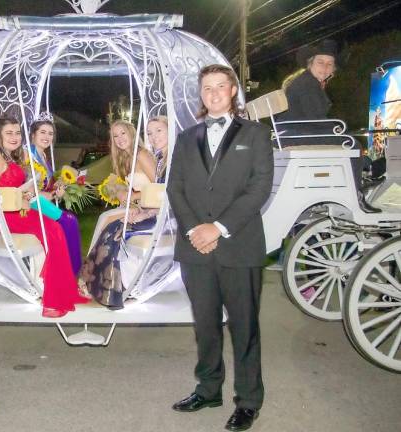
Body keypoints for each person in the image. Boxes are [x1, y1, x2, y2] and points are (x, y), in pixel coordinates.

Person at [167, 64, 273, 431]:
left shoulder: (256, 135)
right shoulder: (186, 138)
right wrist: (197, 229)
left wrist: (219, 227)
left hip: (239, 245)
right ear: (201, 94)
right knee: (206, 325)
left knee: (244, 327)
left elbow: (259, 187)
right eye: (206, 88)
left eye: (220, 87)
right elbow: (175, 188)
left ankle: (248, 400)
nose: (213, 93)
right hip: (195, 247)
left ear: (233, 92)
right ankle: (208, 388)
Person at [0, 116, 89, 318]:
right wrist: (23, 198)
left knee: (57, 229)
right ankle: (55, 296)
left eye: (17, 133)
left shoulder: (12, 157)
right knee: (56, 228)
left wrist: (26, 194)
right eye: (9, 133)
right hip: (7, 215)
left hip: (22, 208)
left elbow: (17, 187)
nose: (14, 137)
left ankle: (65, 287)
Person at [277, 39, 380, 213]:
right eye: (320, 62)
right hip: (298, 132)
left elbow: (314, 118)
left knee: (346, 138)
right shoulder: (308, 84)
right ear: (311, 64)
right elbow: (315, 119)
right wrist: (341, 130)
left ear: (333, 68)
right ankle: (356, 194)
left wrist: (339, 130)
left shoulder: (307, 81)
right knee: (353, 144)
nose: (325, 67)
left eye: (329, 63)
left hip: (293, 131)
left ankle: (362, 174)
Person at [81, 119, 156, 309]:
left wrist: (132, 196)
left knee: (107, 221)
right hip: (140, 206)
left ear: (131, 133)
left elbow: (158, 187)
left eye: (123, 133)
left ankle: (91, 277)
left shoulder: (141, 154)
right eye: (115, 136)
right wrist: (122, 192)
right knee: (104, 218)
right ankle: (89, 275)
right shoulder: (126, 158)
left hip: (153, 211)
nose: (119, 138)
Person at [28, 113, 83, 274]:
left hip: (43, 201)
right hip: (32, 203)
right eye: (43, 132)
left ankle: (70, 270)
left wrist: (56, 191)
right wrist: (48, 194)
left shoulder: (43, 156)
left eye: (50, 133)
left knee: (70, 221)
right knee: (69, 221)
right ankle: (71, 272)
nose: (47, 136)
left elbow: (47, 189)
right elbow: (29, 187)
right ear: (33, 135)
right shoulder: (28, 155)